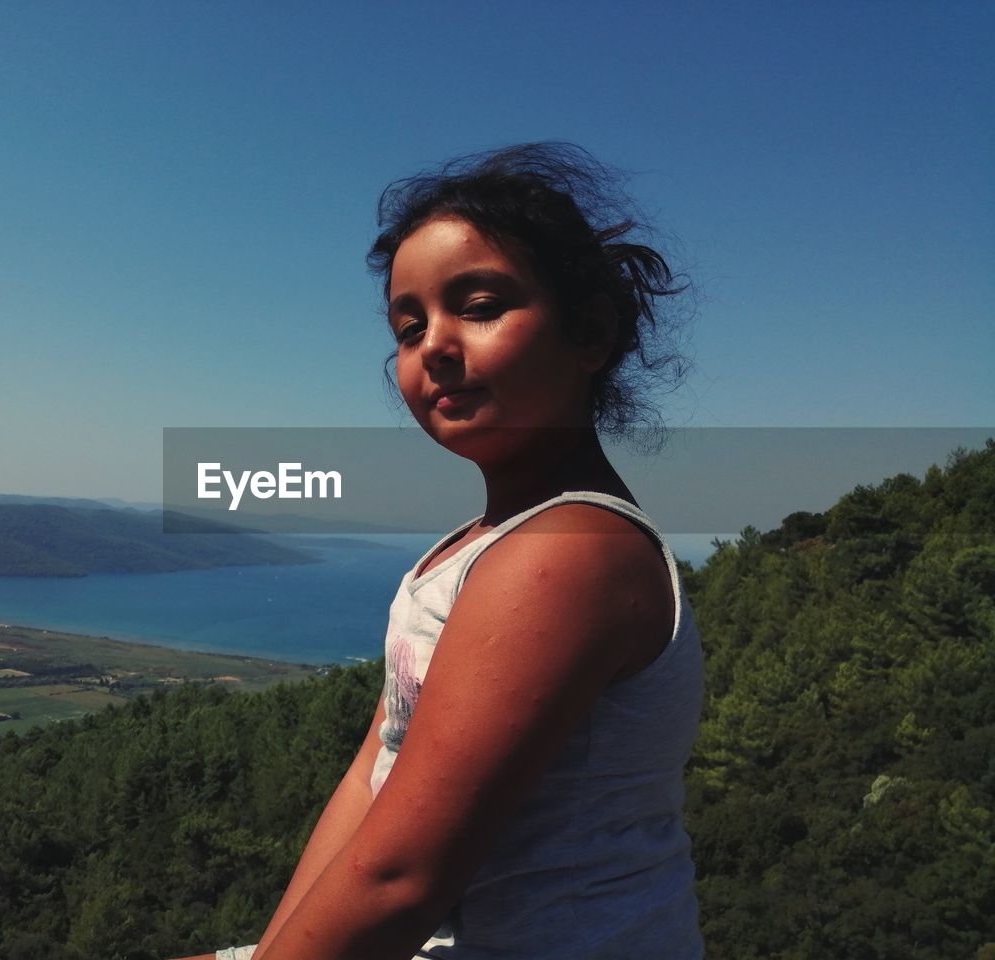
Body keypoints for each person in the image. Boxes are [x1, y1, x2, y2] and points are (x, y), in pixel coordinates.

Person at [178, 142, 704, 960]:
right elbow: (371, 780)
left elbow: (401, 878)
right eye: (409, 325)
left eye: (481, 305)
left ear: (590, 331)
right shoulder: (471, 550)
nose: (434, 346)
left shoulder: (567, 553)